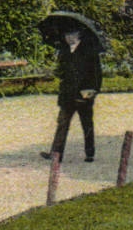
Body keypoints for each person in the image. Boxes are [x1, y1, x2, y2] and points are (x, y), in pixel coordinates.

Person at [42, 28, 103, 163]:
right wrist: (56, 72)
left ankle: (89, 153)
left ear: (79, 34)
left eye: (71, 34)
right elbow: (62, 72)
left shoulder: (89, 50)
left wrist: (93, 91)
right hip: (67, 95)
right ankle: (56, 153)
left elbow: (97, 73)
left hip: (83, 94)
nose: (68, 37)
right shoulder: (64, 51)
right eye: (66, 34)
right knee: (62, 123)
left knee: (86, 124)